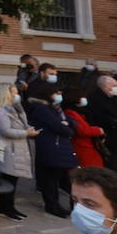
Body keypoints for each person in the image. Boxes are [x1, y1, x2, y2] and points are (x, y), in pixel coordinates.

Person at [25, 77, 76, 217]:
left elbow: (71, 122)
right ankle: (52, 205)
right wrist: (67, 128)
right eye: (57, 93)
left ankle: (58, 205)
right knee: (50, 180)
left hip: (59, 147)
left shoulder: (56, 108)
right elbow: (59, 126)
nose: (59, 96)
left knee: (58, 179)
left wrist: (68, 125)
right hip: (50, 147)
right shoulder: (41, 109)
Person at [0, 81, 37, 222]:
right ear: (6, 93)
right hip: (9, 149)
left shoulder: (16, 108)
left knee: (13, 179)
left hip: (18, 148)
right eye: (14, 92)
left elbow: (21, 124)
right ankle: (4, 208)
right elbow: (5, 130)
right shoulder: (1, 110)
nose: (17, 95)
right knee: (8, 179)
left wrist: (28, 129)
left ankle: (10, 207)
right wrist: (25, 133)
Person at [86, 75, 117, 178]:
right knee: (111, 169)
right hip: (109, 139)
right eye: (114, 85)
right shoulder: (96, 99)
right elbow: (98, 117)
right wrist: (115, 122)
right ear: (104, 87)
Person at [63, 94, 104, 168]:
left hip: (87, 145)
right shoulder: (70, 113)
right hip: (82, 146)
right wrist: (98, 130)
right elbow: (83, 130)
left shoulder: (80, 112)